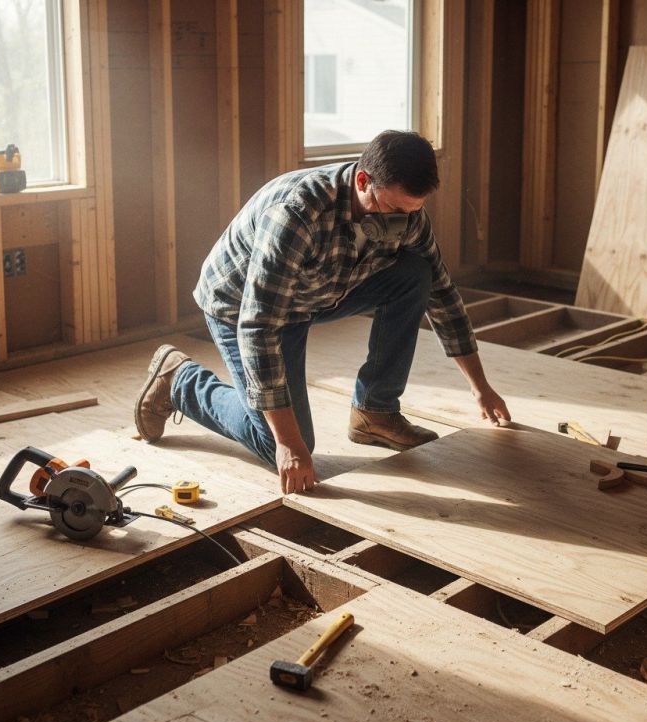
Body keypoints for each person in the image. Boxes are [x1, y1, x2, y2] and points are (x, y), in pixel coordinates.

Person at [134, 130, 510, 493]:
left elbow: (442, 292)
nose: (403, 221)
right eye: (394, 209)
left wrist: (481, 387)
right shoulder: (298, 214)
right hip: (241, 307)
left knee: (415, 273)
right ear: (362, 181)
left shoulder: (404, 214)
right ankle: (180, 382)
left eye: (413, 211)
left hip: (317, 291)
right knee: (284, 442)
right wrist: (287, 442)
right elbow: (259, 325)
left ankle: (374, 413)